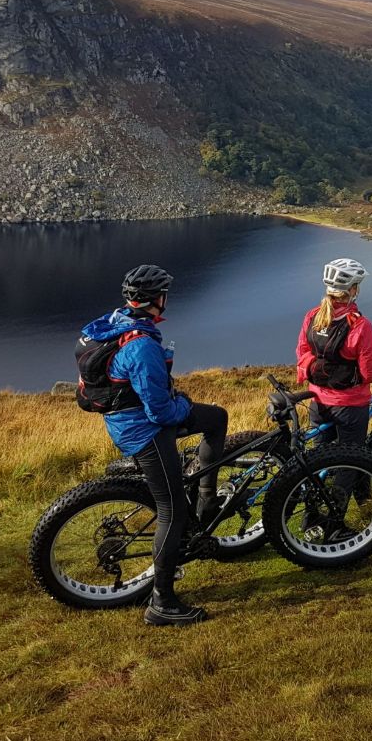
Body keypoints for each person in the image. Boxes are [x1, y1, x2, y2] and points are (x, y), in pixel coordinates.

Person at [78, 265, 228, 626]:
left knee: (216, 418)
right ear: (157, 299)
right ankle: (162, 602)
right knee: (171, 509)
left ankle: (206, 499)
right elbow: (161, 411)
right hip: (142, 429)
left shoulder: (111, 323)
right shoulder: (141, 345)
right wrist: (183, 405)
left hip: (125, 418)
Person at [295, 258, 372, 539]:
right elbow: (369, 372)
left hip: (317, 402)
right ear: (353, 290)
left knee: (316, 463)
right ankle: (333, 524)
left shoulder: (312, 316)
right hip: (350, 406)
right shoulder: (360, 325)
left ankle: (309, 520)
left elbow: (302, 354)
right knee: (348, 463)